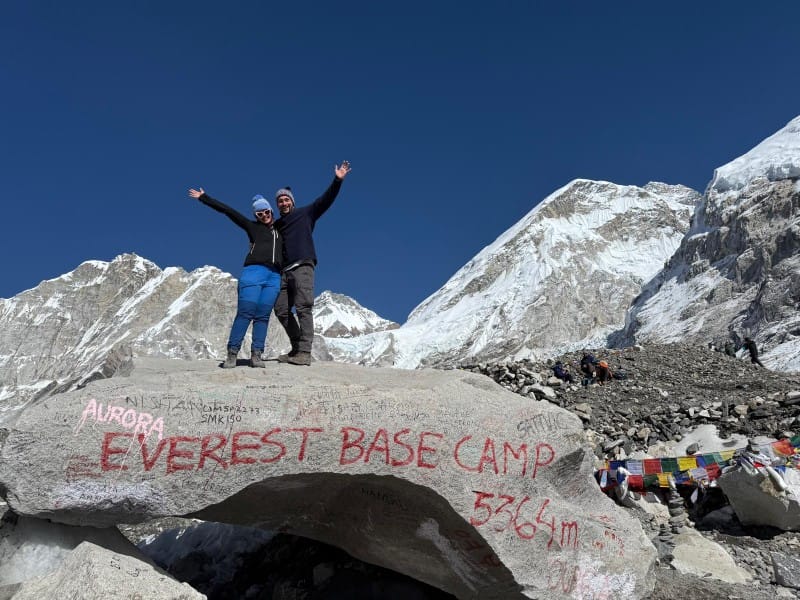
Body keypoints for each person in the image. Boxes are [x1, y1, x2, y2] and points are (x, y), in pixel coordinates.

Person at [188, 187, 283, 368]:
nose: (264, 215)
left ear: (271, 211)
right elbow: (228, 211)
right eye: (260, 214)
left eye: (266, 212)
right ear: (256, 216)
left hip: (274, 276)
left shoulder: (281, 230)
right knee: (246, 312)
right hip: (254, 271)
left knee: (263, 316)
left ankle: (256, 355)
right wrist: (204, 197)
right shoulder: (252, 227)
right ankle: (232, 353)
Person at [274, 161, 352, 366]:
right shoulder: (276, 225)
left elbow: (325, 200)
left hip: (302, 266)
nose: (283, 203)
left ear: (292, 201)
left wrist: (337, 180)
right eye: (280, 201)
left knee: (303, 307)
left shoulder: (305, 213)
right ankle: (296, 347)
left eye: (286, 199)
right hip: (283, 272)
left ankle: (304, 352)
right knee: (281, 310)